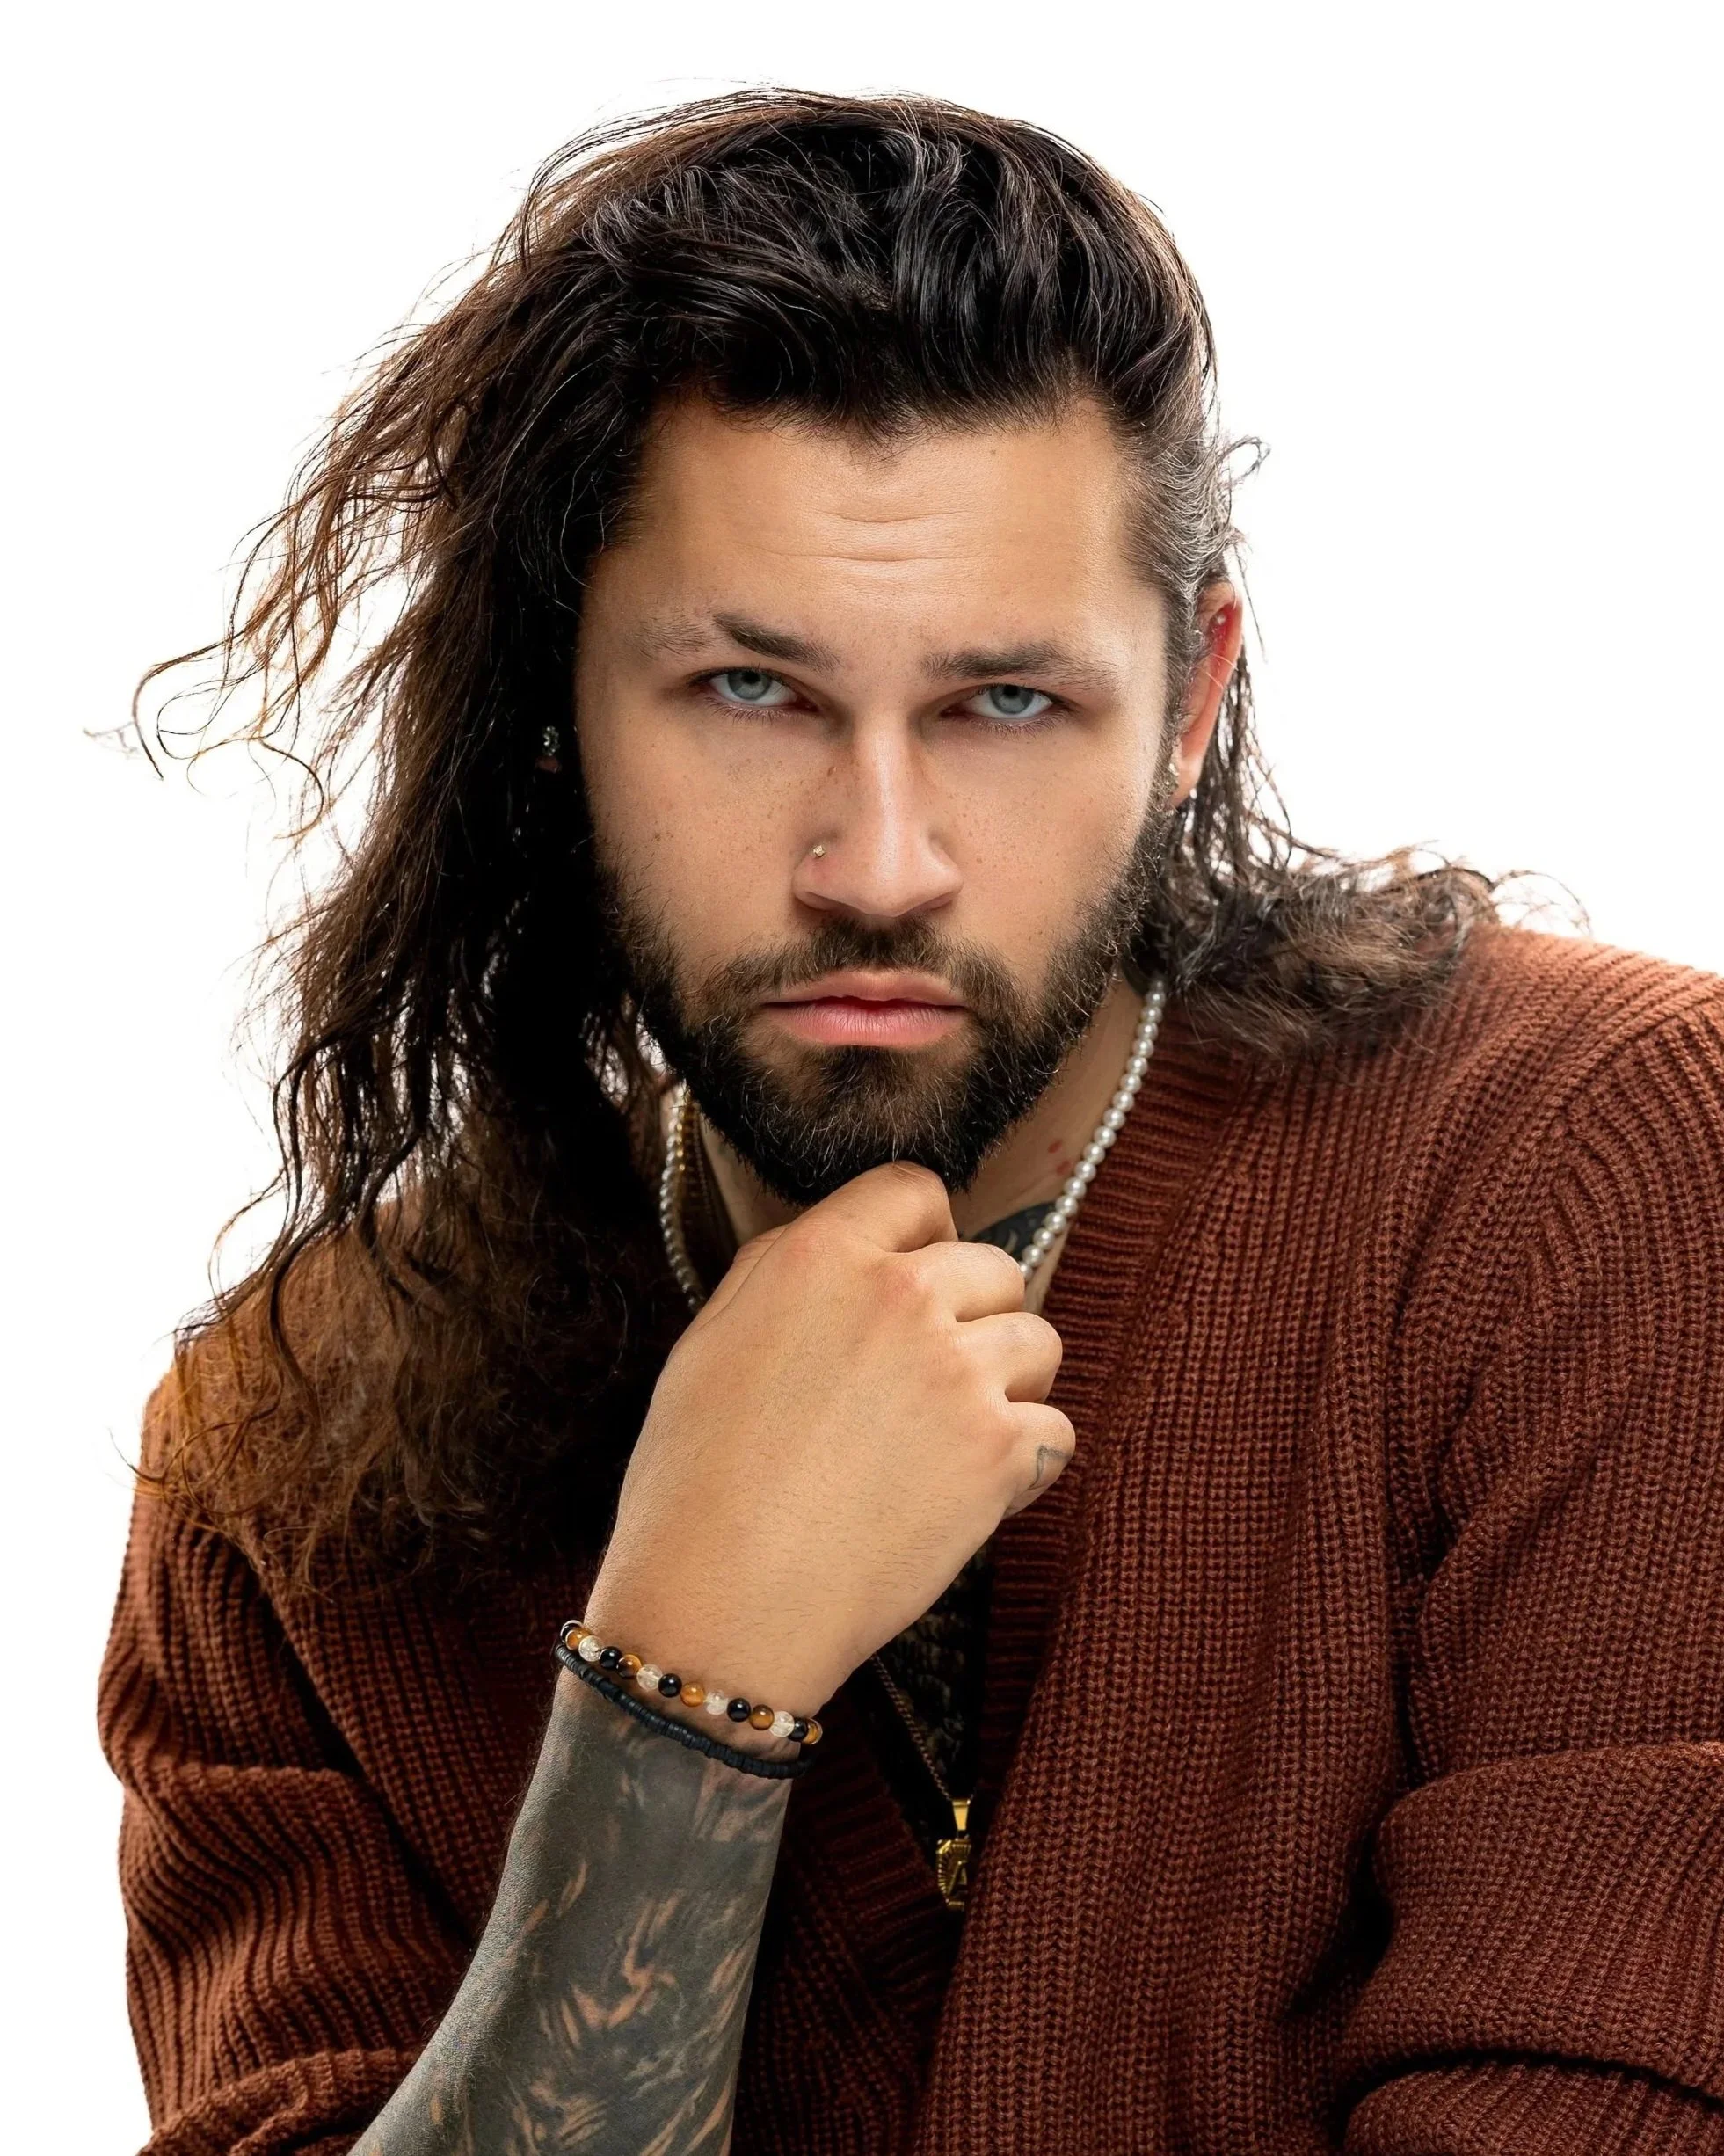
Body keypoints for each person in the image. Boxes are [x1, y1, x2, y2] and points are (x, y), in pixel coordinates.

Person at [98, 86, 1724, 2156]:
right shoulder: (293, 1468)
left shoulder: (1597, 1188)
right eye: (750, 691)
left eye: (1004, 704)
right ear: (551, 705)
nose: (877, 863)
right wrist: (681, 1681)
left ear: (1193, 695)